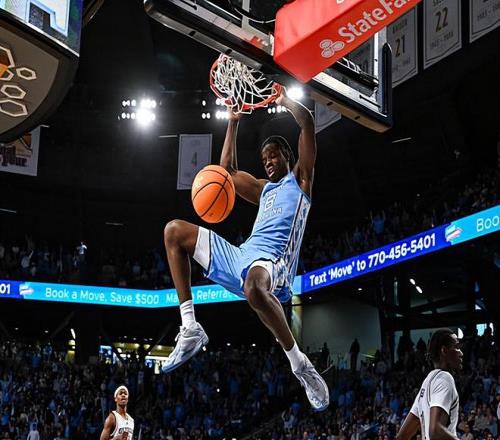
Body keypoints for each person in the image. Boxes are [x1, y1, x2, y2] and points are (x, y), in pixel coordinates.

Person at [161, 88, 329, 411]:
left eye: (273, 155)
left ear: (287, 155)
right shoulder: (264, 190)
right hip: (242, 256)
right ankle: (190, 327)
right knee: (174, 232)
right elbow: (226, 172)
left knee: (254, 288)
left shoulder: (301, 180)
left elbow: (307, 122)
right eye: (264, 159)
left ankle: (300, 364)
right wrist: (233, 120)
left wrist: (284, 100)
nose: (268, 162)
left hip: (274, 263)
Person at [395, 328, 463, 440]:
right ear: (444, 350)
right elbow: (435, 432)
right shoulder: (445, 379)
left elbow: (402, 436)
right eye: (456, 347)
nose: (461, 353)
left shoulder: (427, 382)